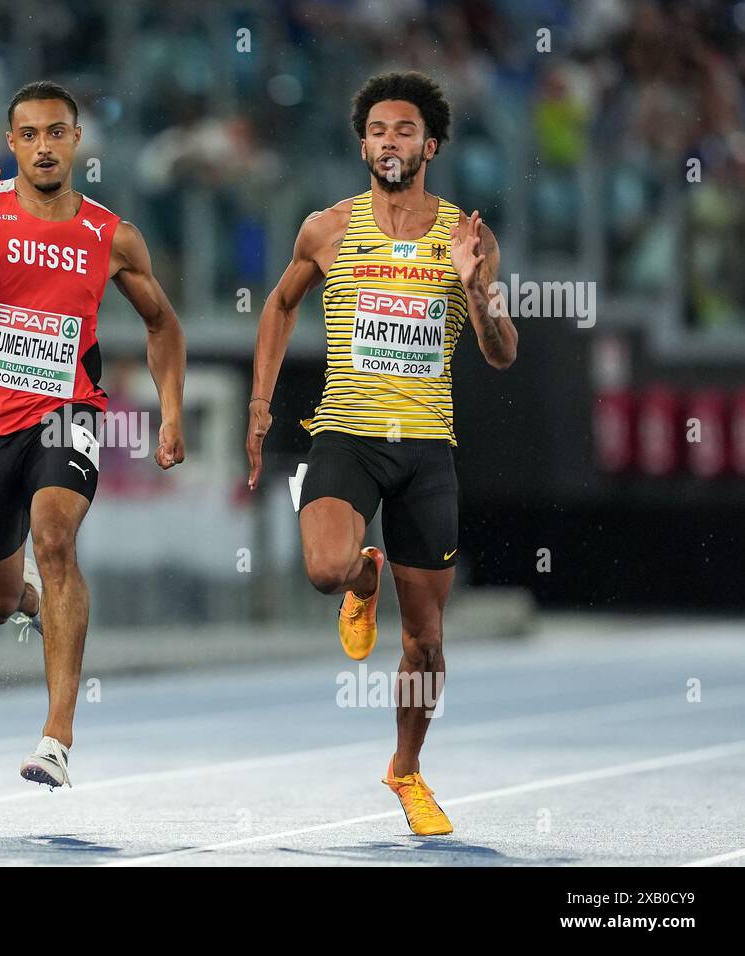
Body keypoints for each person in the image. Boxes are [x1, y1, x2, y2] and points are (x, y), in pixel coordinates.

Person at [245, 71, 518, 835]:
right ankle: (366, 572)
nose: (389, 141)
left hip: (427, 449)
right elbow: (279, 304)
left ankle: (406, 769)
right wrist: (262, 405)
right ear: (362, 144)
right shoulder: (326, 229)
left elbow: (501, 351)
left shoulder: (469, 238)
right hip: (348, 434)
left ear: (429, 145)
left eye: (404, 130)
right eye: (377, 130)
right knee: (325, 569)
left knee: (426, 642)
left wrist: (473, 289)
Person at [0, 81, 186, 788]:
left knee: (56, 538)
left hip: (68, 410)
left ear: (76, 141)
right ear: (11, 143)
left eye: (56, 132)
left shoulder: (111, 235)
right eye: (28, 135)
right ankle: (26, 599)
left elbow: (162, 324)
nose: (43, 146)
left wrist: (170, 410)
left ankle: (57, 735)